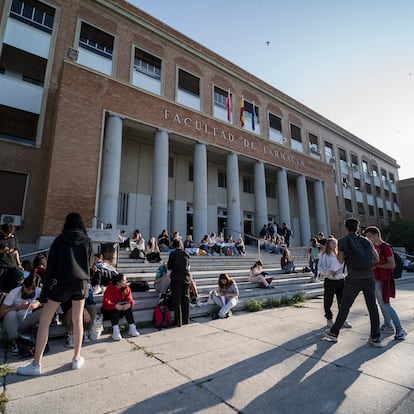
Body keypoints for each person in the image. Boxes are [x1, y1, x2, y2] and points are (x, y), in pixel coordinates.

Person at [17, 212, 95, 376]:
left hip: (60, 283)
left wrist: (44, 295)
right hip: (80, 283)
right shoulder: (87, 242)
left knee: (44, 320)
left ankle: (36, 364)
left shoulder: (59, 240)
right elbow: (90, 265)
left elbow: (50, 269)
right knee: (77, 318)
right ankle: (76, 358)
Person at [323, 217, 381, 347]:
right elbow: (376, 259)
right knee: (373, 307)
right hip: (369, 277)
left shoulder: (343, 241)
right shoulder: (366, 241)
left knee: (345, 306)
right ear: (358, 228)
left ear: (346, 228)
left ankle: (334, 332)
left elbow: (340, 260)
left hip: (354, 278)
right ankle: (375, 337)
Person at [364, 226, 407, 340]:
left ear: (376, 235)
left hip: (384, 279)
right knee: (381, 303)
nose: (368, 239)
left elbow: (392, 265)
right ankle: (388, 325)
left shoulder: (385, 247)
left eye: (369, 236)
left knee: (386, 304)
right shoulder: (373, 247)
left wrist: (376, 265)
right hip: (375, 279)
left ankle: (400, 329)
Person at [0, 274, 43, 355]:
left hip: (25, 321)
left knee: (44, 310)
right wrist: (18, 308)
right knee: (11, 314)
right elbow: (1, 313)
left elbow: (48, 303)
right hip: (11, 324)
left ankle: (37, 336)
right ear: (23, 285)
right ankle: (15, 341)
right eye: (28, 289)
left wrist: (38, 304)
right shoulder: (14, 292)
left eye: (32, 290)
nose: (30, 291)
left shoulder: (38, 291)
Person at [318, 238, 351, 329]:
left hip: (340, 279)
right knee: (328, 301)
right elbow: (320, 267)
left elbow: (344, 266)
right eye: (333, 243)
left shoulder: (339, 255)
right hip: (330, 280)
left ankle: (343, 319)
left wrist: (344, 273)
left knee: (342, 301)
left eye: (336, 243)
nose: (335, 245)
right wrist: (329, 272)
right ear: (328, 244)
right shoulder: (324, 255)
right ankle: (329, 318)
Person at [101, 272, 139, 341]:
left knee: (128, 308)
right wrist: (115, 306)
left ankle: (132, 327)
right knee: (114, 310)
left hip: (121, 308)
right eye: (124, 280)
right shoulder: (110, 288)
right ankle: (116, 331)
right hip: (109, 311)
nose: (126, 282)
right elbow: (106, 302)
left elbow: (130, 298)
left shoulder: (126, 288)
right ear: (118, 282)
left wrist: (129, 304)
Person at [167, 239, 191, 327]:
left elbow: (170, 267)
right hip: (186, 277)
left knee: (177, 300)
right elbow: (188, 266)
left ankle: (178, 321)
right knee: (186, 298)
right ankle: (186, 319)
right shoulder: (186, 253)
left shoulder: (172, 254)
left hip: (176, 278)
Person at [0, 223, 24, 293]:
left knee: (12, 286)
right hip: (1, 266)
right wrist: (2, 251)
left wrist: (19, 264)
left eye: (10, 233)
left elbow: (16, 252)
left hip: (12, 266)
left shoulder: (14, 238)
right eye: (7, 233)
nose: (9, 235)